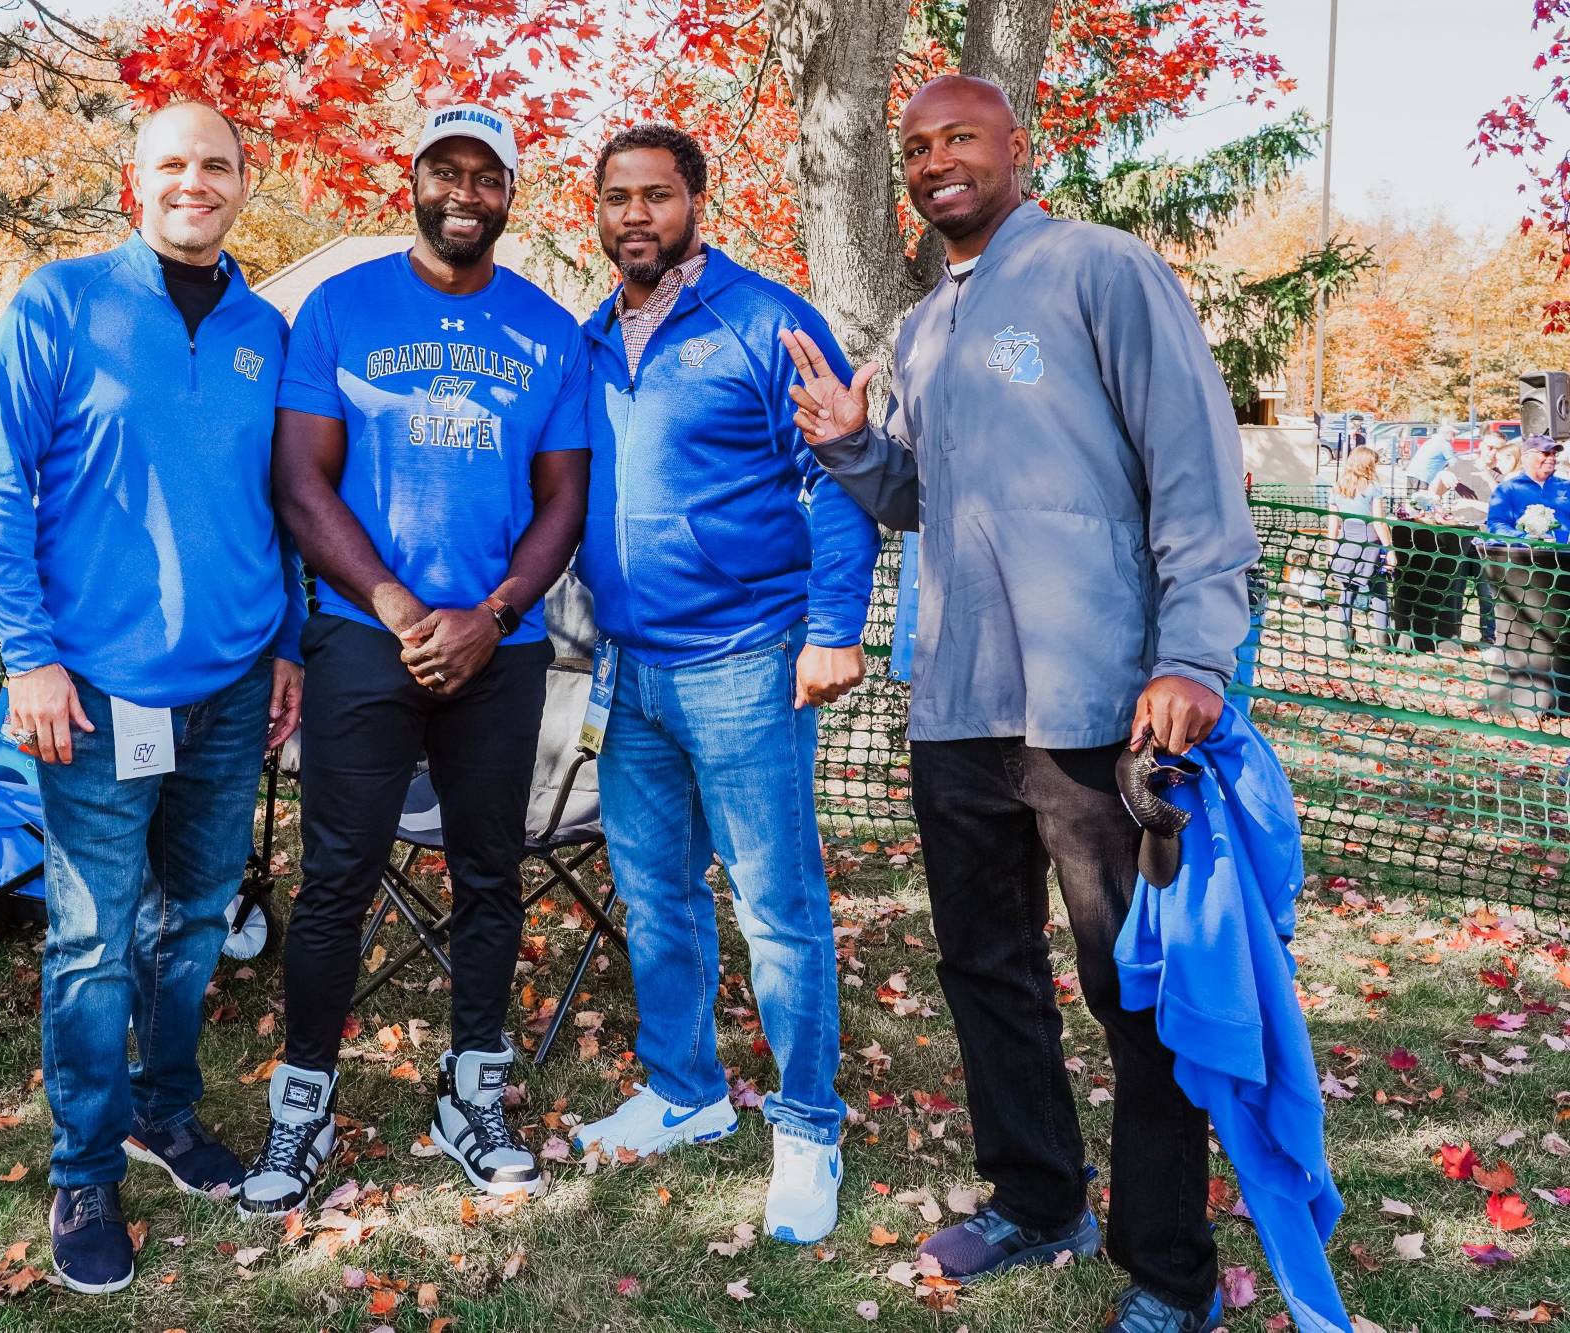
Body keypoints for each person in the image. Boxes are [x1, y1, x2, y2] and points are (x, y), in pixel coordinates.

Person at [784, 75, 1257, 1333]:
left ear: (1016, 147)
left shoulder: (1101, 269)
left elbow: (1197, 475)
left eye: (960, 139)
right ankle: (1035, 1196)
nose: (936, 162)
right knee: (983, 967)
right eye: (917, 147)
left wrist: (1193, 658)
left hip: (1097, 706)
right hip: (954, 704)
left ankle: (1168, 1266)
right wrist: (849, 443)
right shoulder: (921, 325)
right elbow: (920, 504)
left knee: (1129, 988)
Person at [0, 100, 306, 1297]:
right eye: (173, 163)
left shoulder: (270, 327)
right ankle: (84, 1164)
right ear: (135, 181)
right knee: (95, 939)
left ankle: (165, 1114)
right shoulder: (57, 304)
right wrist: (29, 657)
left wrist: (290, 644)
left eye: (217, 164)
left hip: (229, 688)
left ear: (241, 183)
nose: (194, 182)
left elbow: (284, 501)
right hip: (92, 692)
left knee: (196, 918)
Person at [255, 103, 589, 1216]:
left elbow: (564, 500)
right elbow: (301, 481)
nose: (462, 191)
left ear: (509, 191)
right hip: (362, 636)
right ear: (413, 180)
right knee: (336, 881)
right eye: (442, 170)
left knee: (492, 873)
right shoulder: (339, 310)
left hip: (501, 645)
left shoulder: (549, 328)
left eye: (483, 174)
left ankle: (472, 1091)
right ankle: (300, 1110)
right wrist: (399, 604)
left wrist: (489, 613)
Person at [565, 123, 878, 1247]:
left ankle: (806, 1124)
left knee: (777, 909)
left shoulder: (767, 318)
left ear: (697, 200)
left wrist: (833, 626)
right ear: (594, 211)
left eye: (656, 195)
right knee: (656, 897)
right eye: (616, 198)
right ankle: (685, 1092)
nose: (635, 215)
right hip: (628, 668)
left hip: (747, 661)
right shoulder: (590, 337)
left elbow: (838, 477)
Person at [1325, 445, 1394, 649]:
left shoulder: (1338, 488)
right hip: (1370, 547)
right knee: (1380, 593)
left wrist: (1331, 551)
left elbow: (1333, 523)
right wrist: (1390, 550)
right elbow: (1379, 522)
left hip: (1346, 546)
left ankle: (1347, 643)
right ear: (1368, 465)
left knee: (1347, 593)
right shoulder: (1373, 488)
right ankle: (1384, 645)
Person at [1404, 423, 1458, 493]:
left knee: (1411, 500)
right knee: (1422, 500)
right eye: (1453, 434)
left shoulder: (1430, 441)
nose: (1454, 437)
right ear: (1447, 433)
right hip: (1423, 477)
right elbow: (1454, 463)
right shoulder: (1445, 444)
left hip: (1411, 473)